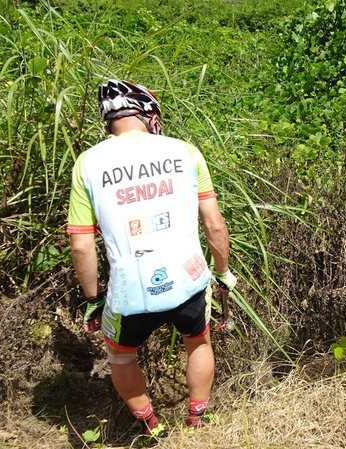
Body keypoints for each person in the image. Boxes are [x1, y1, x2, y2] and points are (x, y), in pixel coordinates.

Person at [67, 80, 238, 439]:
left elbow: (82, 245)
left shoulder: (87, 163)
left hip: (129, 291)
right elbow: (215, 225)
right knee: (198, 341)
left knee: (122, 356)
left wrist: (94, 300)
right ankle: (197, 420)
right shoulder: (185, 151)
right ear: (148, 114)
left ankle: (151, 427)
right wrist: (223, 274)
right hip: (189, 279)